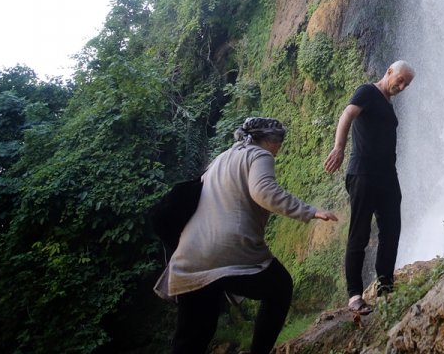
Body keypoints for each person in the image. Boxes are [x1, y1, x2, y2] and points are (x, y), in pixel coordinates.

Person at [154, 117, 338, 354]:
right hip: (229, 250)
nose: (278, 151)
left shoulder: (219, 160)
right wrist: (311, 211)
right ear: (271, 141)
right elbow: (263, 191)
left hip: (190, 255)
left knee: (191, 338)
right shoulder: (259, 155)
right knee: (279, 287)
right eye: (279, 144)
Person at [324, 60, 415, 315]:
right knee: (359, 234)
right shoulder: (367, 91)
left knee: (392, 230)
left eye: (406, 84)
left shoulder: (386, 103)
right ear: (389, 72)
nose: (402, 86)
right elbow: (347, 115)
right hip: (363, 173)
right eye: (400, 80)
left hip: (387, 176)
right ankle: (354, 296)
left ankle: (385, 286)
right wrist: (339, 147)